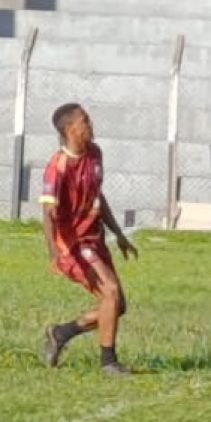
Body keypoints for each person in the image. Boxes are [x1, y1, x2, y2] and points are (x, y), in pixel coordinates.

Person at [39, 103, 138, 376]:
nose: (91, 124)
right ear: (70, 129)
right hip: (73, 245)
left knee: (117, 307)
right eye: (85, 121)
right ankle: (109, 363)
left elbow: (98, 196)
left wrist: (118, 233)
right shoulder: (57, 167)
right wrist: (53, 253)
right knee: (111, 293)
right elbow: (47, 213)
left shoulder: (95, 154)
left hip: (95, 240)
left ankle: (61, 333)